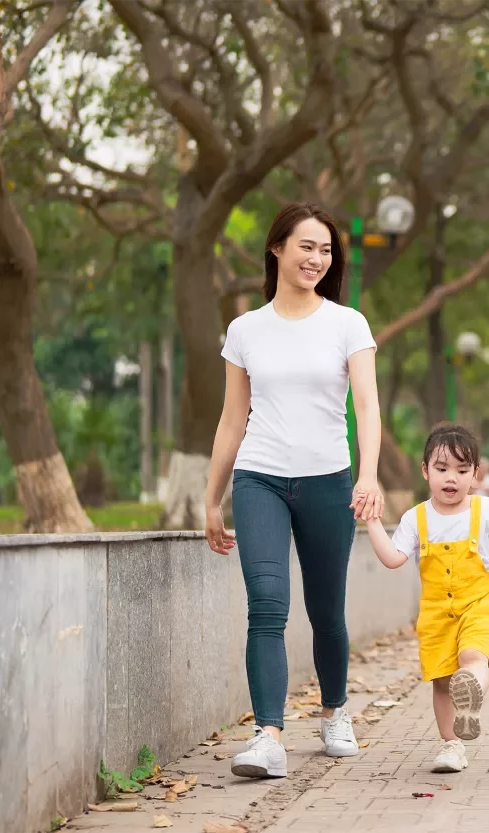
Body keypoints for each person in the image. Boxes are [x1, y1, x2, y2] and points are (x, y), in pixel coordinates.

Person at [204, 202, 387, 779]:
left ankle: (334, 711)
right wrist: (211, 499)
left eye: (325, 250)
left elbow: (369, 407)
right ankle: (268, 736)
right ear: (277, 248)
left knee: (326, 609)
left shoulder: (346, 323)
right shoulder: (245, 330)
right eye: (306, 246)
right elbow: (233, 419)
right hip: (258, 477)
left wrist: (369, 472)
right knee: (267, 604)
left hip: (328, 479)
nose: (316, 258)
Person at [365, 423, 489, 773]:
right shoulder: (416, 518)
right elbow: (393, 558)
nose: (451, 478)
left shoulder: (486, 511)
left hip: (479, 601)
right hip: (435, 612)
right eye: (442, 469)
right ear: (426, 470)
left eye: (462, 470)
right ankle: (451, 746)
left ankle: (471, 691)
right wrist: (371, 522)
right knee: (442, 681)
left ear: (475, 475)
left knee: (474, 656)